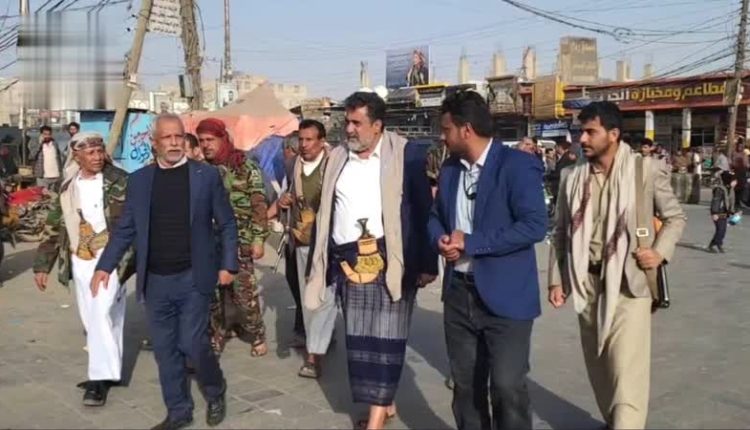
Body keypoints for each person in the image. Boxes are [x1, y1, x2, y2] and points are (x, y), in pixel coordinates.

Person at [91, 113, 237, 430]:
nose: (174, 143)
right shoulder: (140, 181)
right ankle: (179, 411)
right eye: (167, 138)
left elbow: (227, 223)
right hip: (155, 281)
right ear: (154, 142)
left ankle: (215, 390)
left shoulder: (205, 176)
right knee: (165, 350)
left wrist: (228, 264)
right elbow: (126, 229)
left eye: (178, 136)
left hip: (193, 276)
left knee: (193, 343)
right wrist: (105, 266)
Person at [548, 101, 686, 429]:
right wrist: (557, 279)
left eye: (590, 132)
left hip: (630, 283)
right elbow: (560, 232)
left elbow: (675, 217)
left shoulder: (644, 170)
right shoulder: (571, 177)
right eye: (581, 132)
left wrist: (659, 252)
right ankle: (615, 420)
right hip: (587, 282)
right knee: (600, 368)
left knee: (627, 371)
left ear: (613, 134)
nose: (582, 139)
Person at [305, 92, 437, 430]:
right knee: (360, 341)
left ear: (377, 126)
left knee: (386, 341)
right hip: (348, 265)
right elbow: (326, 210)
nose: (349, 129)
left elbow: (423, 211)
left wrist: (427, 263)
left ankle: (376, 419)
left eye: (356, 123)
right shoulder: (337, 158)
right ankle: (384, 401)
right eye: (347, 122)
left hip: (391, 263)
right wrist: (318, 263)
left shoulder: (405, 155)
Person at [427, 91, 547, 430]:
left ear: (466, 129)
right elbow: (435, 216)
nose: (442, 137)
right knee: (466, 386)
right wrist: (440, 239)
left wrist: (472, 243)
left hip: (506, 296)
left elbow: (534, 226)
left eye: (446, 129)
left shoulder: (516, 165)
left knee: (508, 387)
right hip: (459, 293)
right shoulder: (450, 170)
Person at [33, 132, 134, 407]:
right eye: (90, 153)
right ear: (76, 155)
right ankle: (110, 370)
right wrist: (42, 265)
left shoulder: (121, 180)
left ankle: (97, 380)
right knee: (95, 317)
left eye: (100, 151)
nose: (97, 157)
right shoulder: (67, 186)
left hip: (111, 258)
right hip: (80, 258)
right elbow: (55, 226)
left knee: (101, 312)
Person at [197, 118, 269, 358]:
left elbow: (259, 203)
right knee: (213, 296)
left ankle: (256, 333)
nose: (206, 145)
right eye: (201, 141)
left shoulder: (244, 165)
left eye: (210, 140)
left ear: (223, 138)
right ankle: (217, 335)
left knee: (243, 294)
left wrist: (258, 239)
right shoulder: (200, 169)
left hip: (241, 241)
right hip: (210, 243)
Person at [271, 119, 334, 379]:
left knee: (326, 300)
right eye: (301, 139)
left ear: (322, 141)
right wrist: (283, 201)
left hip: (331, 243)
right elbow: (283, 194)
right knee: (310, 301)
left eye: (310, 140)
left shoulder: (335, 165)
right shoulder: (292, 165)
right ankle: (314, 351)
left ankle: (318, 347)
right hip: (302, 242)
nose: (304, 145)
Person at [708, 171, 737, 253]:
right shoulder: (719, 189)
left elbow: (731, 201)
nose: (735, 182)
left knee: (723, 230)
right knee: (720, 229)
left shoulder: (730, 189)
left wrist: (732, 211)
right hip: (718, 212)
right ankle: (715, 244)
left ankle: (716, 244)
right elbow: (716, 201)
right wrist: (714, 213)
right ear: (728, 180)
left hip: (725, 212)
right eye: (734, 180)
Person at [32, 125, 63, 189]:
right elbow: (32, 155)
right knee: (42, 194)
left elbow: (59, 158)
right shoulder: (35, 143)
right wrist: (39, 144)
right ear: (41, 134)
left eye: (49, 134)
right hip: (42, 177)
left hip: (55, 176)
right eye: (45, 134)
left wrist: (61, 172)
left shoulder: (54, 143)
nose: (47, 136)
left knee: (54, 194)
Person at [731, 140, 748, 207]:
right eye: (738, 146)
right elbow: (732, 162)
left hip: (742, 173)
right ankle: (736, 201)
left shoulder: (744, 154)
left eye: (741, 146)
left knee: (742, 187)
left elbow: (746, 164)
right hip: (736, 172)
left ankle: (740, 201)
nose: (739, 148)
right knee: (736, 187)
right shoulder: (734, 153)